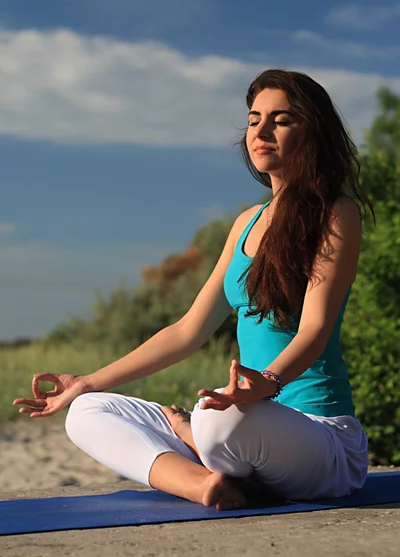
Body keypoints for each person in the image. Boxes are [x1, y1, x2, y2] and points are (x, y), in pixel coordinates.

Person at [13, 69, 375, 511]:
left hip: (319, 437)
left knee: (215, 420)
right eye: (254, 118)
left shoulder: (336, 215)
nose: (261, 130)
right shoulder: (247, 223)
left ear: (312, 130)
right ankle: (206, 485)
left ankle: (201, 442)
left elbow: (314, 330)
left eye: (281, 120)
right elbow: (187, 332)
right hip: (244, 425)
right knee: (88, 412)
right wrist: (86, 382)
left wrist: (266, 383)